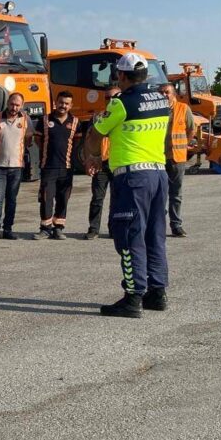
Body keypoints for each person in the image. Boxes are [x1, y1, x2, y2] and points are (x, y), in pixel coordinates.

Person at [84, 53, 171, 318]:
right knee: (154, 234)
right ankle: (157, 293)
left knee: (129, 235)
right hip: (159, 174)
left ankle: (133, 297)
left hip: (133, 178)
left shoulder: (121, 104)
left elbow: (95, 133)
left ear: (121, 76)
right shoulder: (162, 100)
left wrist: (94, 157)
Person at [0, 93, 30, 241]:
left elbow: (29, 140)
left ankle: (8, 229)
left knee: (12, 200)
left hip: (16, 167)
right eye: (12, 104)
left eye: (17, 105)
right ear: (8, 102)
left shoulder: (25, 119)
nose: (14, 107)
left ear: (21, 105)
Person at [33, 91, 79, 240]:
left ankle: (58, 228)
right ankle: (45, 228)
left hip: (66, 168)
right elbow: (38, 141)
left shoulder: (76, 122)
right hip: (48, 167)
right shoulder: (45, 120)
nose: (63, 106)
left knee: (63, 198)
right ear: (56, 103)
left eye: (66, 103)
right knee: (46, 198)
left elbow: (77, 144)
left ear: (70, 105)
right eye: (61, 102)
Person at [160, 83, 196, 237]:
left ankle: (176, 225)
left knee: (176, 194)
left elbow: (191, 129)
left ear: (173, 94)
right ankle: (158, 226)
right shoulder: (156, 111)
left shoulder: (183, 108)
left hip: (177, 158)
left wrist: (184, 145)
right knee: (159, 194)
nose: (164, 95)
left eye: (167, 92)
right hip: (158, 157)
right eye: (161, 92)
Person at [86, 86, 121, 239]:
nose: (110, 100)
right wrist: (90, 159)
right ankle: (93, 229)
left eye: (114, 97)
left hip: (117, 163)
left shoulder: (124, 116)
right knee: (97, 198)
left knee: (117, 199)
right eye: (107, 97)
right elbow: (89, 140)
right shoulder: (97, 117)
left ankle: (114, 229)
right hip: (101, 163)